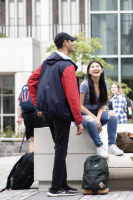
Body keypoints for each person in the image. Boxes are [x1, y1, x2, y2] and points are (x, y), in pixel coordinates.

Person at [28, 32, 84, 197]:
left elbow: (31, 81)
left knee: (60, 148)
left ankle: (62, 184)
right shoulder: (66, 65)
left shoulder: (47, 62)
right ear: (65, 43)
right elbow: (72, 96)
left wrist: (39, 104)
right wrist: (78, 120)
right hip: (60, 113)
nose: (74, 44)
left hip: (48, 112)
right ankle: (55, 188)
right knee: (61, 148)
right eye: (72, 42)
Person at [80, 61, 124, 158]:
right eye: (92, 67)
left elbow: (102, 104)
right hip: (83, 115)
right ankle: (100, 146)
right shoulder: (84, 84)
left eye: (98, 66)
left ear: (102, 70)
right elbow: (80, 105)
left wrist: (98, 118)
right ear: (89, 72)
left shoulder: (105, 83)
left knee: (112, 114)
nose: (96, 68)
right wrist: (95, 118)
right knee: (90, 119)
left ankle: (111, 145)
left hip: (97, 113)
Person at [16, 84, 47, 152]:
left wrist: (19, 116)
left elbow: (19, 103)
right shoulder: (40, 84)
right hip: (38, 113)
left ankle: (33, 160)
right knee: (44, 137)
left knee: (33, 140)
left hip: (26, 115)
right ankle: (43, 158)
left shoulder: (25, 87)